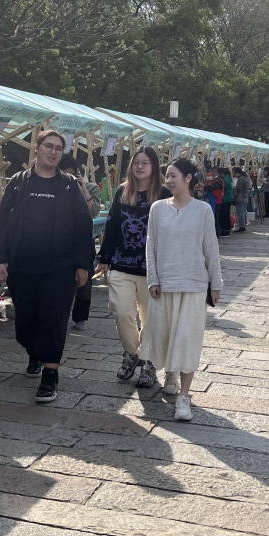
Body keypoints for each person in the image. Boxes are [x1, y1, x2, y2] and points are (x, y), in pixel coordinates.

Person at [0, 131, 94, 404]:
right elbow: (2, 223)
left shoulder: (69, 185)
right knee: (25, 323)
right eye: (48, 146)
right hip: (23, 266)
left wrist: (83, 264)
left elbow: (83, 225)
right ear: (36, 148)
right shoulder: (18, 182)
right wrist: (0, 258)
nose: (53, 152)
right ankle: (34, 351)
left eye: (59, 148)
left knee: (54, 318)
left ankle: (50, 374)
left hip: (60, 267)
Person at [143, 158, 222, 421]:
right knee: (165, 336)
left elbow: (210, 247)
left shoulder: (203, 210)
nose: (168, 180)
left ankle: (184, 397)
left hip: (194, 284)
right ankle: (170, 374)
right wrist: (153, 279)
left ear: (188, 178)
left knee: (187, 339)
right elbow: (151, 246)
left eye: (173, 175)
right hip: (164, 284)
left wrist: (216, 283)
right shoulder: (157, 208)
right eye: (166, 175)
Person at [95, 147, 170, 388]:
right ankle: (131, 353)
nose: (139, 166)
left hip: (152, 269)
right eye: (136, 162)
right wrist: (104, 257)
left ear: (153, 166)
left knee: (150, 318)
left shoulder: (164, 194)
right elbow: (112, 226)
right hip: (121, 263)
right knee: (121, 310)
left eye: (145, 162)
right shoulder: (122, 191)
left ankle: (148, 362)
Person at [59, 154, 102, 331]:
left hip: (84, 240)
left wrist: (82, 188)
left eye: (70, 174)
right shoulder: (55, 186)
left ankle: (81, 316)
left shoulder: (90, 187)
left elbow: (94, 212)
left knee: (85, 281)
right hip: (61, 240)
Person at [232, 167, 251, 232]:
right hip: (245, 197)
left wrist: (234, 190)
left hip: (240, 198)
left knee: (240, 213)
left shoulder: (240, 179)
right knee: (244, 212)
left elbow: (238, 189)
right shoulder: (245, 178)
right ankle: (244, 225)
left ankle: (242, 226)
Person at [218, 167, 234, 237]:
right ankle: (227, 229)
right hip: (229, 198)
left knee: (224, 215)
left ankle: (224, 230)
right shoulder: (229, 178)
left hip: (225, 199)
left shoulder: (224, 180)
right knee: (227, 215)